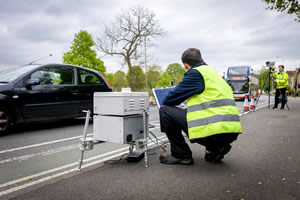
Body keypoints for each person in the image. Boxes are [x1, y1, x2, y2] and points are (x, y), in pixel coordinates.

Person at [159, 48, 242, 165]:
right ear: (202, 59)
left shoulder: (195, 73)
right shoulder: (213, 74)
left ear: (186, 66)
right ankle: (215, 148)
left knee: (165, 111)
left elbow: (168, 100)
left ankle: (181, 155)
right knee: (192, 112)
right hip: (231, 131)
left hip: (213, 131)